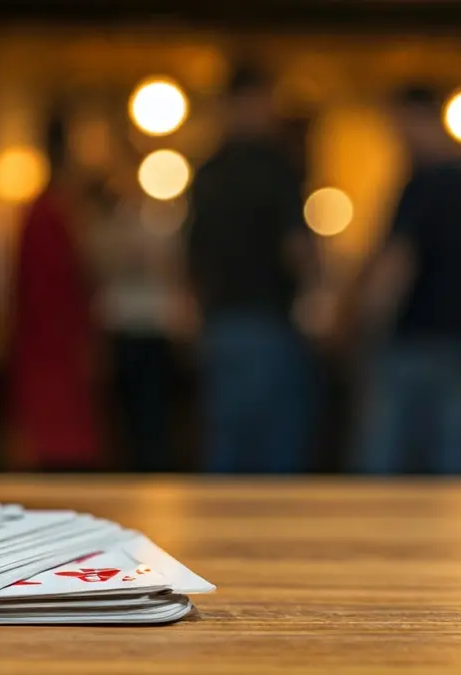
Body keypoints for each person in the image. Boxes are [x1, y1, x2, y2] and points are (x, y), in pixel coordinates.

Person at [348, 85, 461, 474]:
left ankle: (376, 536)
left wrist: (365, 324)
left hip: (411, 339)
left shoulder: (421, 186)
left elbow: (397, 264)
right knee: (452, 454)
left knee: (386, 455)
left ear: (418, 118)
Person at [185, 66, 317, 473]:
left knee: (227, 436)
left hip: (221, 319)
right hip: (266, 317)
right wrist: (317, 291)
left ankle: (219, 530)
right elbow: (296, 245)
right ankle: (274, 530)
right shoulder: (277, 166)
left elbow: (190, 252)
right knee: (274, 439)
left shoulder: (209, 170)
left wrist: (189, 308)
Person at [6, 114, 101, 472]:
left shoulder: (44, 213)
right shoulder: (56, 215)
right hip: (55, 347)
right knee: (60, 444)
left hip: (47, 347)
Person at [89, 169, 188, 472]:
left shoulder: (164, 225)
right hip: (123, 328)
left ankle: (152, 469)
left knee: (154, 414)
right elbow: (96, 270)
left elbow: (175, 272)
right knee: (123, 416)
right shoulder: (110, 226)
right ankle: (129, 470)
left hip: (154, 329)